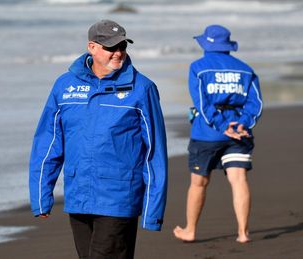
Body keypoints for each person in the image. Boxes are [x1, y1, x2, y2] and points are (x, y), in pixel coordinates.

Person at [29, 20, 168, 258]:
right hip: (78, 197)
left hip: (118, 198)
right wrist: (41, 196)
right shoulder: (65, 86)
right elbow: (48, 144)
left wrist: (153, 209)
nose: (119, 52)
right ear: (91, 47)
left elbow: (154, 152)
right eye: (111, 47)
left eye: (122, 46)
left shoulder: (142, 89)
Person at [173, 25, 263, 243]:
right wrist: (241, 124)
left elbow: (202, 103)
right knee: (238, 178)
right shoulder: (246, 69)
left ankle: (190, 230)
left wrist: (223, 126)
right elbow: (256, 104)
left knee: (199, 182)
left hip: (208, 133)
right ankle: (243, 233)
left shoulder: (198, 67)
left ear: (206, 44)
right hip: (240, 132)